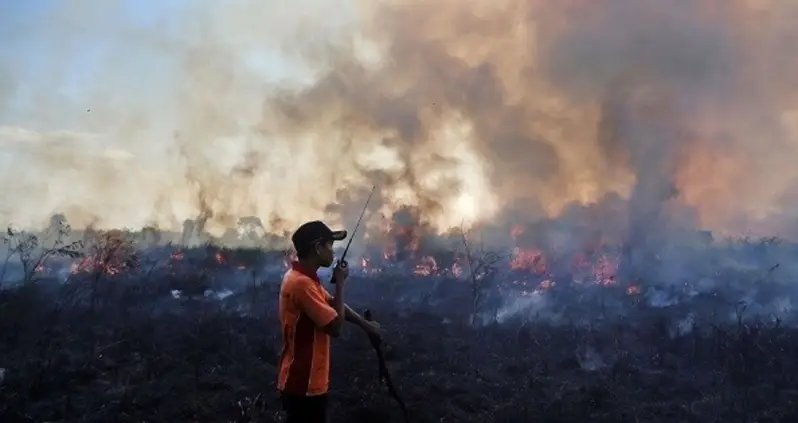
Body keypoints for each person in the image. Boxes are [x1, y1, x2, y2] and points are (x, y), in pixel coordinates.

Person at [277, 220, 382, 423]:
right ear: (318, 248)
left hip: (304, 380)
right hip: (303, 383)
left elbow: (333, 304)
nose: (333, 252)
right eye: (329, 245)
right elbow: (335, 326)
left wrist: (366, 325)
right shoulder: (302, 285)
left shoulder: (302, 278)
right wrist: (341, 284)